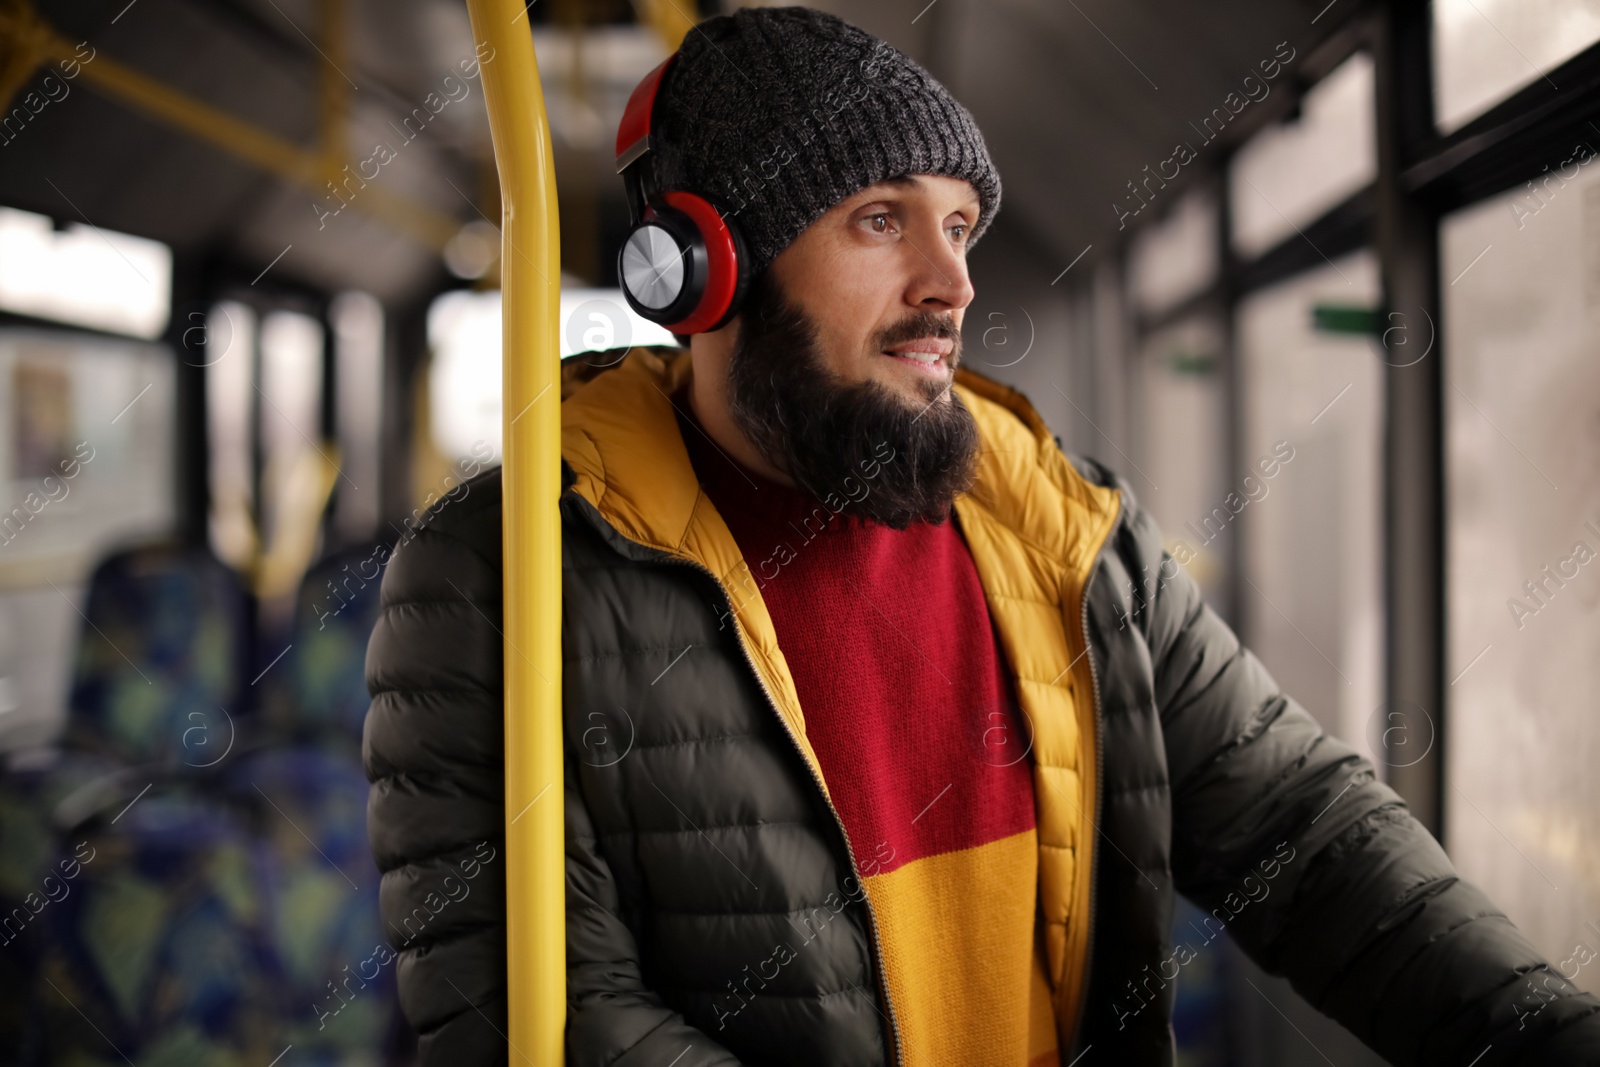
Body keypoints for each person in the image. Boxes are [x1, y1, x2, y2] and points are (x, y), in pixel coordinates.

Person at [362, 7, 1600, 1065]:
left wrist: (1544, 1032)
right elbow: (550, 1015)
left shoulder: (1063, 531)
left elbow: (1301, 830)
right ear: (703, 268)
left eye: (957, 225)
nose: (950, 283)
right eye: (879, 220)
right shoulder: (497, 578)